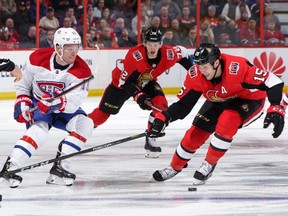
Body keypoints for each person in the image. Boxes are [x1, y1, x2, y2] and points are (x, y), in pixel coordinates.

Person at [149, 43, 285, 185]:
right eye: (199, 66)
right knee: (195, 133)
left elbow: (273, 81)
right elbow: (184, 105)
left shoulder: (237, 68)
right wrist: (164, 117)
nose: (202, 71)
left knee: (226, 121)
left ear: (216, 62)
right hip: (220, 99)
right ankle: (174, 167)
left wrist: (275, 107)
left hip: (249, 100)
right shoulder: (196, 74)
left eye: (205, 66)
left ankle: (209, 164)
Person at [0, 27, 94, 188]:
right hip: (39, 105)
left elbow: (76, 99)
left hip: (64, 109)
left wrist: (57, 103)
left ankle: (61, 166)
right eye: (69, 48)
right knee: (39, 131)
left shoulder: (82, 70)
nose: (74, 52)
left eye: (76, 47)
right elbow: (23, 84)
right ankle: (12, 166)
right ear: (58, 48)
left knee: (85, 124)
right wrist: (22, 102)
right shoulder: (37, 58)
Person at [88, 27, 194, 158]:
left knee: (161, 107)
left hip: (146, 81)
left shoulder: (169, 53)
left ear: (161, 44)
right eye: (150, 44)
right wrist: (139, 96)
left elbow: (184, 54)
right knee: (102, 116)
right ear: (144, 43)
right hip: (121, 85)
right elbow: (125, 82)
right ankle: (78, 132)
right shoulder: (135, 56)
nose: (152, 48)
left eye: (156, 44)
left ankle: (151, 138)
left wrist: (195, 72)